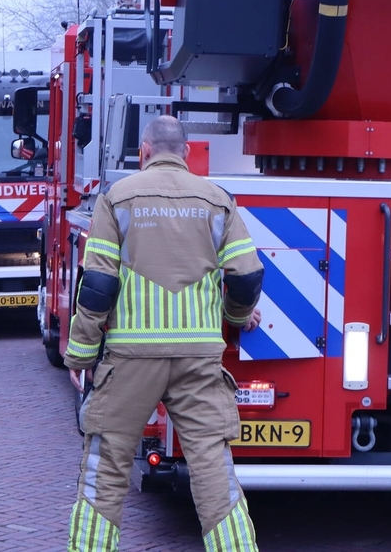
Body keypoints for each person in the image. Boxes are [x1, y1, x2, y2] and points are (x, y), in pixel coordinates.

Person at [65, 116, 265, 552]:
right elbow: (247, 277)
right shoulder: (218, 200)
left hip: (131, 360)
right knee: (214, 471)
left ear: (145, 152)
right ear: (187, 153)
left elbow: (98, 286)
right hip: (199, 361)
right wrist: (235, 316)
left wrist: (80, 355)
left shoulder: (116, 199)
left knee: (107, 466)